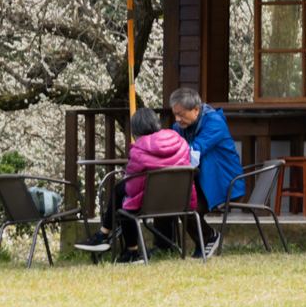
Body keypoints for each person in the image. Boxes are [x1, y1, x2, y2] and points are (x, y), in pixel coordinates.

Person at [78, 107, 196, 259]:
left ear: (136, 130)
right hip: (179, 202)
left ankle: (125, 247)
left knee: (123, 200)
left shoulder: (138, 150)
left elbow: (131, 187)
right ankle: (107, 237)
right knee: (122, 193)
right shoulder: (180, 142)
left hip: (151, 204)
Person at [170, 85, 244, 256]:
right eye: (175, 114)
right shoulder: (178, 127)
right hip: (200, 180)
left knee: (185, 205)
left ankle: (208, 237)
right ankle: (167, 245)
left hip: (224, 182)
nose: (177, 119)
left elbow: (193, 153)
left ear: (196, 110)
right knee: (174, 200)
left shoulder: (214, 122)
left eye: (181, 114)